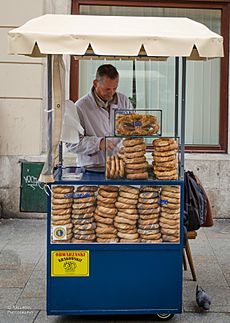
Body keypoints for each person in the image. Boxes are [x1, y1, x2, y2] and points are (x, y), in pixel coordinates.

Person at [66, 64, 133, 166]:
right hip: (91, 168)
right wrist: (98, 143)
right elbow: (71, 143)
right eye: (107, 89)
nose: (111, 93)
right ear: (95, 83)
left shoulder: (124, 101)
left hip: (118, 166)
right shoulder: (80, 107)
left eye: (114, 88)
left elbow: (132, 130)